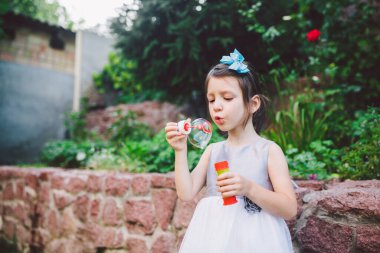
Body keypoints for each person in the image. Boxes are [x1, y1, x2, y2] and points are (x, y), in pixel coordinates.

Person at [165, 49, 296, 253]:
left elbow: (289, 209)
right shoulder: (213, 151)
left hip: (257, 242)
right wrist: (180, 151)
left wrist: (249, 189)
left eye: (227, 98)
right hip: (213, 240)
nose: (217, 106)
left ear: (253, 104)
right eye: (211, 99)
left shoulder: (268, 151)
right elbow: (186, 192)